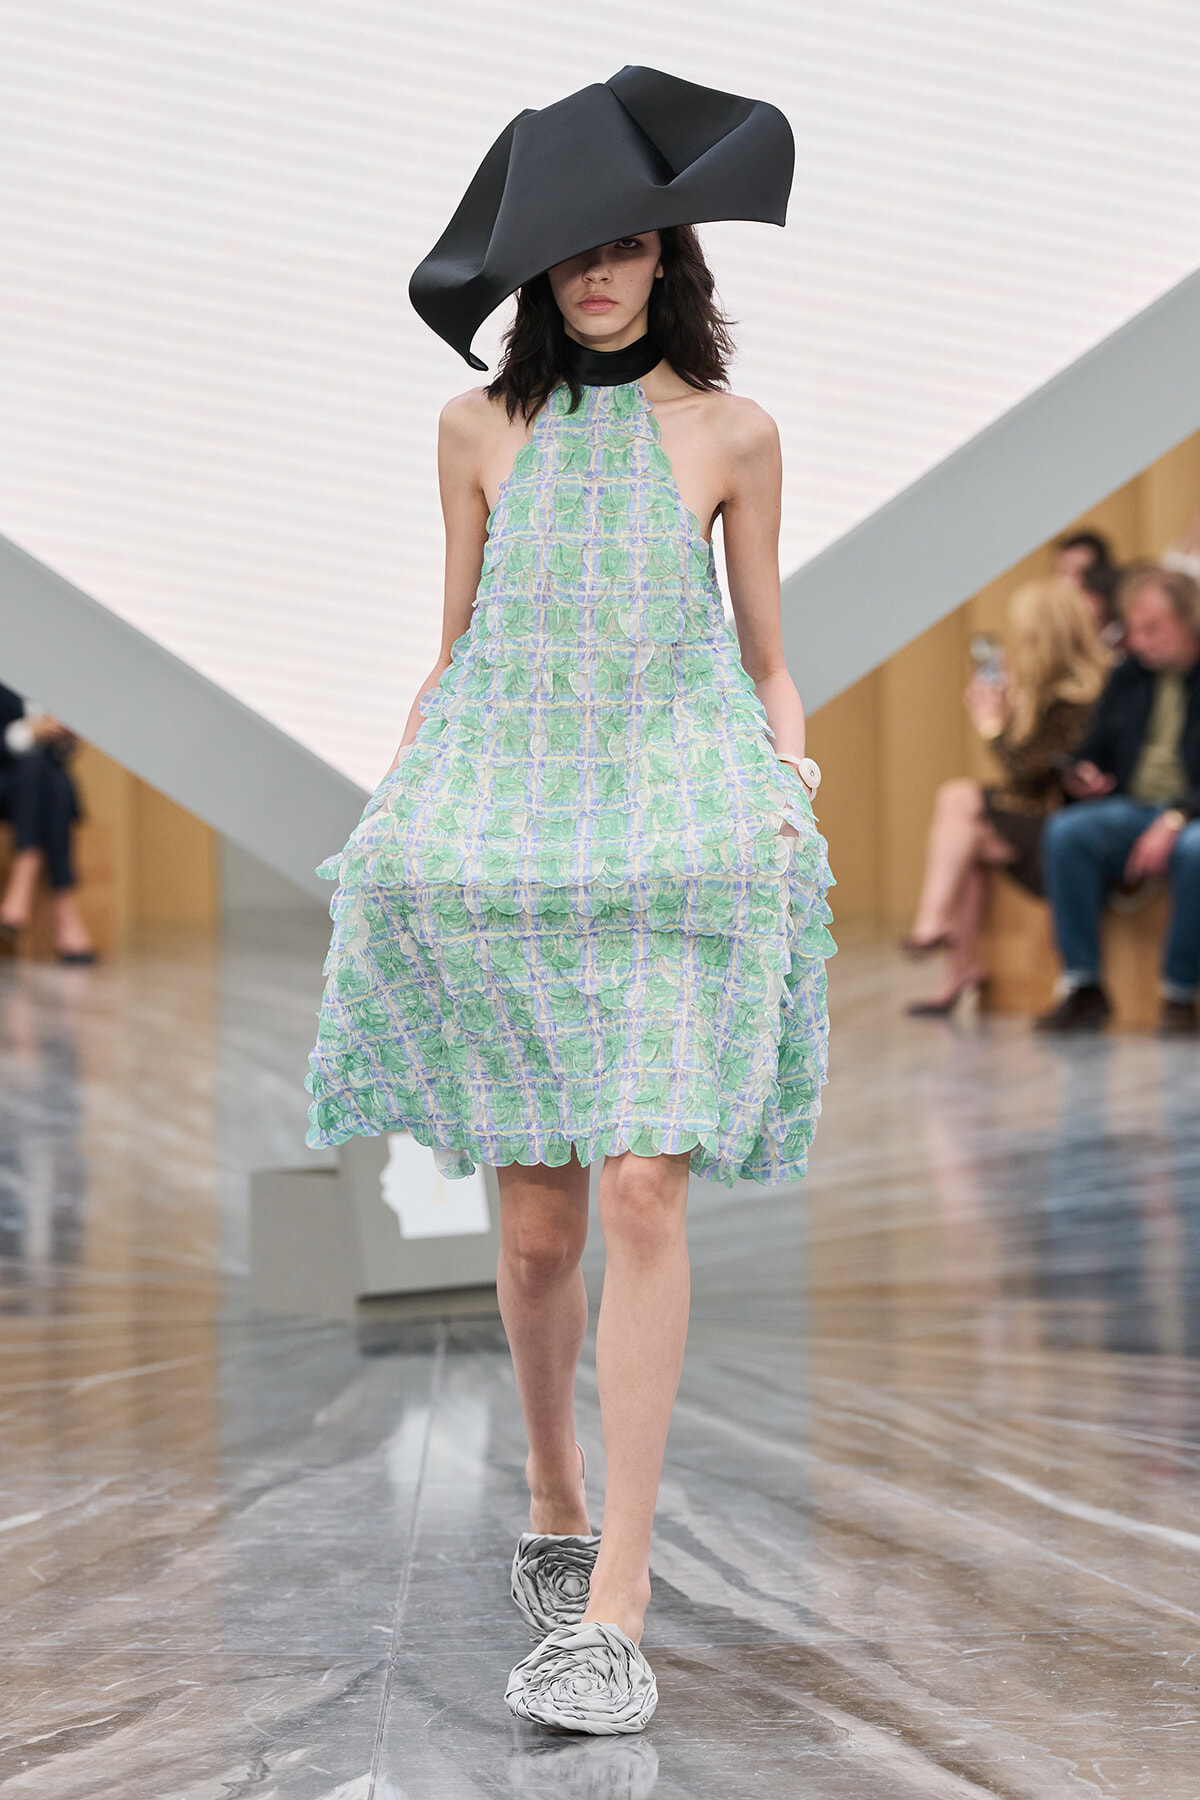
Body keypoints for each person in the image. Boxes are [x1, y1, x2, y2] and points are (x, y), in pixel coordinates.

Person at [305, 69, 834, 1734]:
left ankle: (619, 1603)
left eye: (620, 247)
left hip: (676, 819)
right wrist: (406, 794)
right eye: (567, 255)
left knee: (645, 1194)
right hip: (515, 822)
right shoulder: (478, 429)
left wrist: (789, 777)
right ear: (536, 272)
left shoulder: (731, 434)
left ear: (667, 254)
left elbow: (764, 654)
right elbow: (460, 654)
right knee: (533, 1227)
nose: (595, 278)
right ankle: (551, 1489)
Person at [902, 579, 1108, 1013]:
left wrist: (993, 725)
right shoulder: (1042, 691)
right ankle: (956, 968)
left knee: (958, 799)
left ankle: (932, 926)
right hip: (1036, 818)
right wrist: (1011, 709)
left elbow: (1029, 772)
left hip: (1065, 827)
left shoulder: (1084, 697)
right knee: (965, 836)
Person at [1037, 564, 1200, 1033]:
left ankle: (1180, 994)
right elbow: (1095, 748)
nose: (1140, 640)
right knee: (1068, 832)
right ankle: (1083, 986)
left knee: (1195, 850)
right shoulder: (1129, 675)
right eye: (1135, 628)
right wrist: (1085, 775)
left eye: (1154, 628)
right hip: (1134, 806)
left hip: (1189, 812)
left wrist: (1174, 819)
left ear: (1189, 621)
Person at [0, 684, 96, 963]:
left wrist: (64, 737)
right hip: (6, 784)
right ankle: (65, 910)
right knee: (45, 773)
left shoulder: (54, 685)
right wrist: (28, 734)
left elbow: (62, 757)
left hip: (41, 789)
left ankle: (24, 876)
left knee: (51, 775)